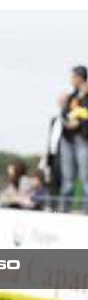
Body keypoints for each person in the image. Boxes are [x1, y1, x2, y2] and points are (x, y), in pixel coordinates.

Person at [59, 66, 88, 212]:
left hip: (84, 141)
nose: (71, 79)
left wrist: (79, 120)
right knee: (68, 180)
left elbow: (84, 114)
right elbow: (64, 114)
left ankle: (86, 212)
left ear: (80, 77)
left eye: (73, 76)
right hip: (68, 141)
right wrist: (67, 120)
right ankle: (63, 211)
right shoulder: (71, 97)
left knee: (85, 179)